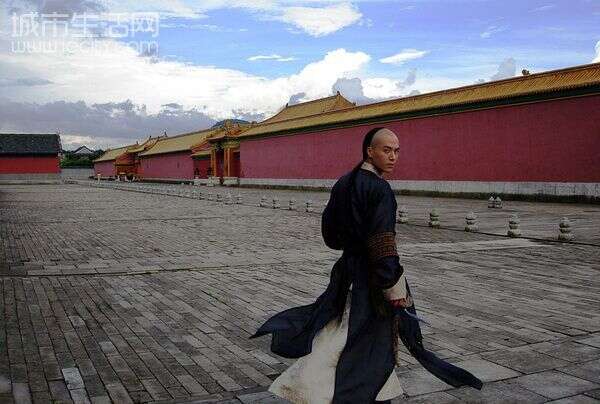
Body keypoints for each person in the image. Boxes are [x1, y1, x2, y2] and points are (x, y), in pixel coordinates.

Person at [251, 127, 482, 403]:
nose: (393, 156)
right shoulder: (379, 189)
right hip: (371, 278)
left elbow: (330, 236)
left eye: (396, 151)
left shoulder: (344, 182)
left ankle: (364, 390)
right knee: (365, 340)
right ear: (369, 151)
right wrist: (393, 287)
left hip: (346, 272)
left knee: (344, 331)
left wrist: (352, 248)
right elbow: (383, 244)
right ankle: (308, 386)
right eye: (386, 150)